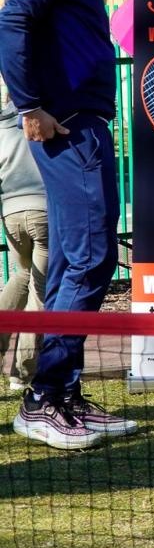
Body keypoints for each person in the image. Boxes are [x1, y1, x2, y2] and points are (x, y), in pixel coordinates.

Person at [0, 0, 137, 449]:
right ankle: (43, 400)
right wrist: (31, 104)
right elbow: (12, 19)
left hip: (81, 126)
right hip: (70, 129)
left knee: (86, 260)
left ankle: (66, 392)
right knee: (85, 260)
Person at [0, 85, 47, 392]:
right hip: (44, 212)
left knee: (21, 275)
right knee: (41, 290)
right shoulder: (43, 120)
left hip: (11, 213)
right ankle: (22, 372)